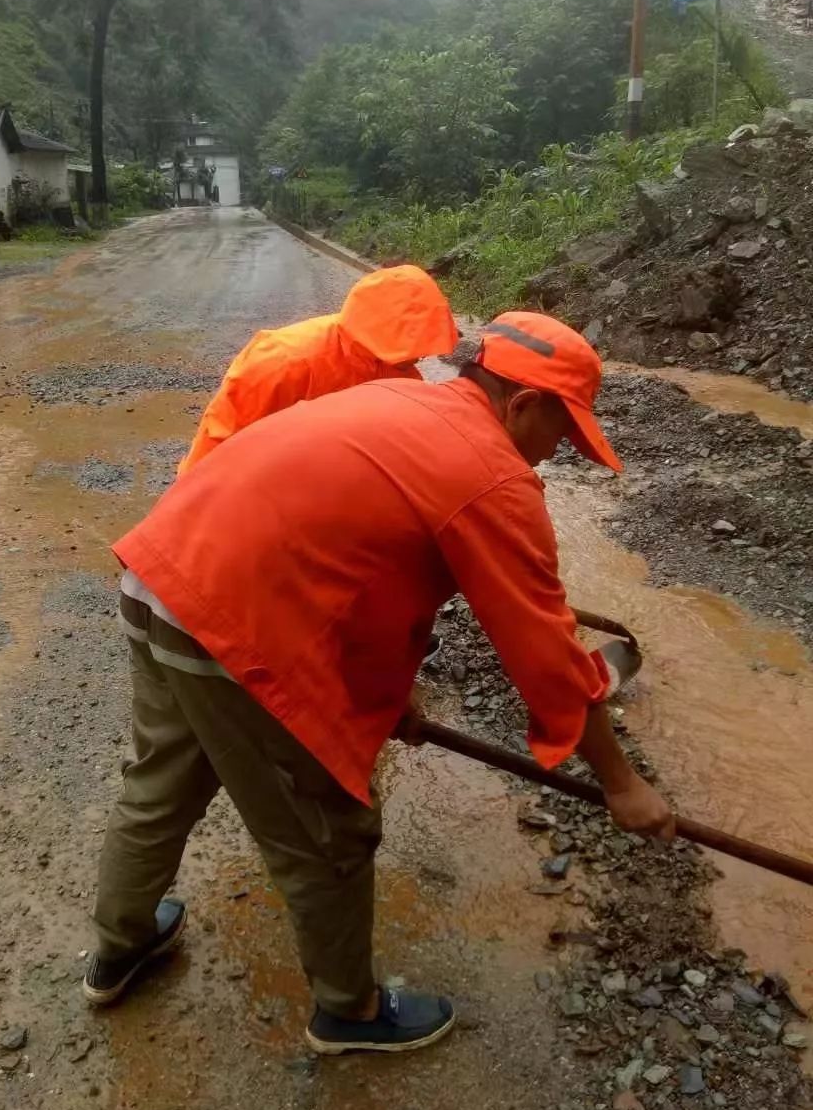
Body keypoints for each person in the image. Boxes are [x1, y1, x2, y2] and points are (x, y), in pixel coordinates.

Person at [86, 311, 674, 1055]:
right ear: (523, 404)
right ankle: (349, 1013)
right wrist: (623, 783)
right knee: (326, 827)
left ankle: (120, 945)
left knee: (162, 781)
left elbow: (369, 574)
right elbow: (548, 656)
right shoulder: (492, 475)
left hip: (160, 574)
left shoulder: (401, 400)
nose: (557, 456)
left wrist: (396, 696)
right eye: (562, 434)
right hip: (234, 616)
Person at [178, 264, 458, 473]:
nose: (420, 359)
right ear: (384, 335)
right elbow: (218, 445)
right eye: (414, 348)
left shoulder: (403, 376)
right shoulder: (281, 361)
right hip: (266, 479)